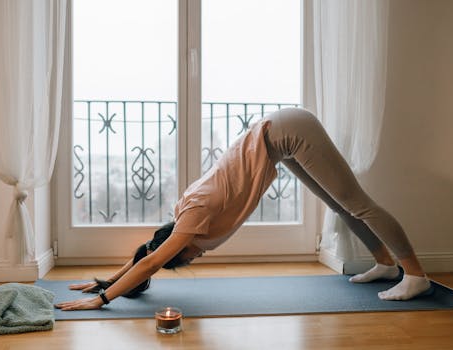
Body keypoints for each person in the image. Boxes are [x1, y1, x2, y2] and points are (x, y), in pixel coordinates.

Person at [55, 107, 431, 311]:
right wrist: (107, 278)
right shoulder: (184, 218)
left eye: (189, 257)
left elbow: (152, 262)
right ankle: (384, 264)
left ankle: (414, 274)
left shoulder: (193, 219)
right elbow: (150, 253)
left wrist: (101, 300)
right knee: (340, 204)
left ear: (183, 244)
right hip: (279, 140)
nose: (195, 255)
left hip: (287, 131)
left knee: (358, 204)